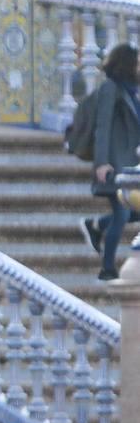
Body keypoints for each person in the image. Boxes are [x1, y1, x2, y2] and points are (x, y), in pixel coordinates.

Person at [80, 43, 140, 280]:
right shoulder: (110, 89)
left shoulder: (130, 91)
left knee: (127, 212)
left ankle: (96, 225)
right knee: (122, 213)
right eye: (136, 64)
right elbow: (102, 128)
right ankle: (107, 269)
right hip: (114, 164)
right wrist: (101, 163)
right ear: (126, 65)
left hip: (128, 164)